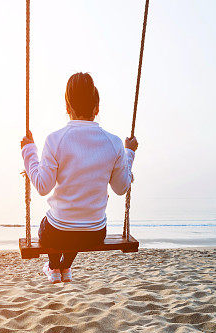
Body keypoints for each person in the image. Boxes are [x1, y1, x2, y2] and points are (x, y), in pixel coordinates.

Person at [20, 72, 138, 283]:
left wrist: (29, 151)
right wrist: (129, 154)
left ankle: (54, 266)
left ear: (67, 108)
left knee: (52, 225)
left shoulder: (55, 140)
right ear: (97, 107)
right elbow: (121, 188)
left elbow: (42, 186)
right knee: (76, 225)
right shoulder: (114, 143)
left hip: (58, 232)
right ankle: (63, 268)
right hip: (95, 233)